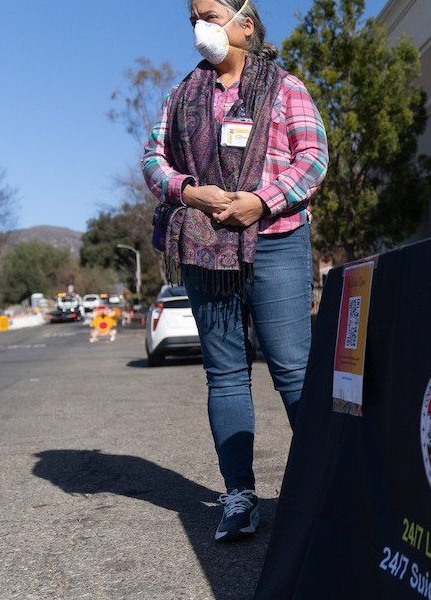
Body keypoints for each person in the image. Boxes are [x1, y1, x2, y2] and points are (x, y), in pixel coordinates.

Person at [142, 0, 328, 542]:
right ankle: (239, 497)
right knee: (225, 374)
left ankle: (325, 484)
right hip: (207, 249)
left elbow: (312, 158)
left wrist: (262, 202)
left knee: (293, 367)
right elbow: (155, 160)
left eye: (210, 13)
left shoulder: (286, 86)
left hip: (276, 241)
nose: (201, 26)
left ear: (246, 22)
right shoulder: (181, 96)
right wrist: (188, 191)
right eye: (193, 17)